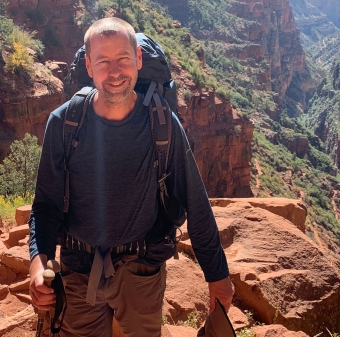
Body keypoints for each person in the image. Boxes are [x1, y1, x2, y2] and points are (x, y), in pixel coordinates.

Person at [28, 17, 234, 337]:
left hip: (142, 269)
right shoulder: (64, 123)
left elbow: (196, 202)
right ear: (89, 65)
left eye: (123, 59)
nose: (115, 72)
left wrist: (217, 274)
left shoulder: (163, 125)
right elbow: (45, 207)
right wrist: (38, 263)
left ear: (138, 59)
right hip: (77, 270)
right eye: (103, 61)